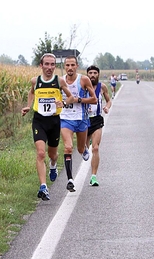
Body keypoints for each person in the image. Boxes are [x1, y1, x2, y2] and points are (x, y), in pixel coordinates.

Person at [21, 53, 73, 201]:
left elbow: (70, 97)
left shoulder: (60, 81)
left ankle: (53, 165)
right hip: (39, 121)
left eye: (52, 64)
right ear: (41, 65)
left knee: (52, 154)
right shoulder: (35, 81)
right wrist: (28, 106)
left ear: (55, 66)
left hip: (54, 121)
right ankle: (43, 186)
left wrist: (62, 103)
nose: (49, 67)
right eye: (47, 64)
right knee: (40, 153)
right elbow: (31, 92)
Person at [60, 55, 97, 192]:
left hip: (81, 119)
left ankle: (84, 149)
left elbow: (94, 100)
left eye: (72, 65)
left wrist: (79, 100)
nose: (70, 68)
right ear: (64, 67)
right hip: (65, 119)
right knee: (68, 147)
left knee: (80, 149)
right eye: (67, 65)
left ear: (77, 66)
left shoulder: (83, 80)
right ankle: (70, 180)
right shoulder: (60, 81)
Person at [85, 65, 112, 186]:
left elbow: (109, 100)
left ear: (98, 75)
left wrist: (106, 107)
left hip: (97, 120)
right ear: (87, 75)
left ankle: (94, 176)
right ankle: (85, 146)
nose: (92, 75)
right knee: (83, 150)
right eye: (90, 73)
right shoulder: (82, 86)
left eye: (95, 73)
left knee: (95, 148)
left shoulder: (102, 87)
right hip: (84, 120)